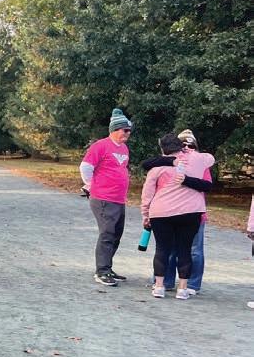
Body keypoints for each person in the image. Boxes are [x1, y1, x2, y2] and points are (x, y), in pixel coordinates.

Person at [141, 133, 214, 300]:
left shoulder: (157, 167)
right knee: (185, 250)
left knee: (162, 249)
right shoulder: (199, 160)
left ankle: (159, 286)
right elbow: (210, 159)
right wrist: (190, 153)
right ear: (181, 146)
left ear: (162, 149)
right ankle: (183, 288)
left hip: (161, 211)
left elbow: (147, 193)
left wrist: (145, 214)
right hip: (191, 211)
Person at [80, 109, 134, 286]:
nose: (128, 133)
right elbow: (86, 167)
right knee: (107, 233)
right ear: (115, 129)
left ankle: (107, 267)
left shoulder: (124, 148)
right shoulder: (100, 146)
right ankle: (101, 271)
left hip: (119, 199)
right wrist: (91, 185)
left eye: (129, 130)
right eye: (125, 130)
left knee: (116, 234)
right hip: (103, 198)